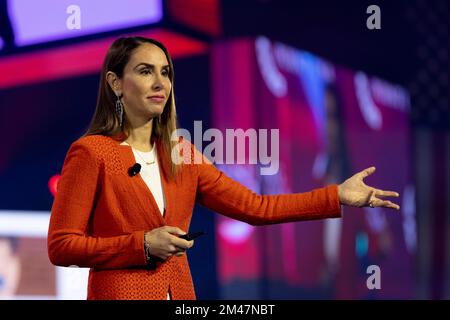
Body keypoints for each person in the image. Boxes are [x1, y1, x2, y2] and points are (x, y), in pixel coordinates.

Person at [47, 36, 400, 300]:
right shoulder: (91, 153)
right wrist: (140, 245)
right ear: (115, 83)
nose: (160, 83)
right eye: (145, 71)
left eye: (166, 73)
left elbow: (256, 207)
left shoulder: (182, 153)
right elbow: (62, 246)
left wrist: (336, 195)